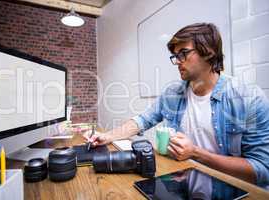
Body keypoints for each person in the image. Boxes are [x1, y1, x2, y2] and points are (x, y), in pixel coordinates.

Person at [85, 23, 269, 197]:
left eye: (184, 53)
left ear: (209, 51)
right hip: (182, 183)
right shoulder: (173, 92)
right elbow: (142, 120)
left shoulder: (248, 98)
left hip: (229, 190)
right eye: (175, 56)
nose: (178, 61)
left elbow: (262, 169)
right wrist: (108, 136)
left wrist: (196, 152)